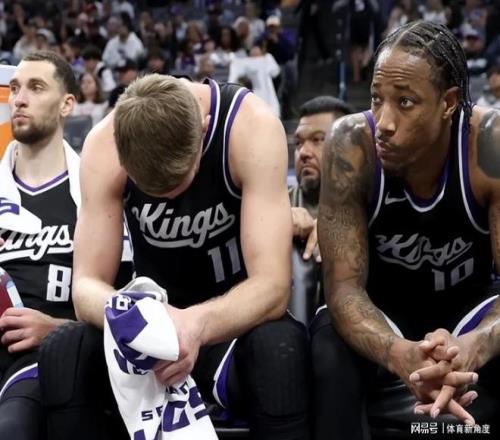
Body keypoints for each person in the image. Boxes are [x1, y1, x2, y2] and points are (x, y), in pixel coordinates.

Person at [65, 73, 309, 439]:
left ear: (203, 128)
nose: (167, 199)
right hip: (152, 325)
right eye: (153, 190)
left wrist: (194, 325)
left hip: (233, 324)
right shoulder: (103, 145)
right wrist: (136, 319)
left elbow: (273, 286)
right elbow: (85, 286)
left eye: (178, 182)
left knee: (279, 350)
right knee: (66, 351)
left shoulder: (251, 127)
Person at [312, 20, 500, 440]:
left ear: (448, 102)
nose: (384, 121)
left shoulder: (489, 145)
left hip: (470, 313)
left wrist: (475, 346)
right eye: (377, 98)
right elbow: (343, 290)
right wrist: (399, 354)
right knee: (327, 349)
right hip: (382, 315)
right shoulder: (350, 145)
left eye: (405, 102)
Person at [0, 50, 79, 440]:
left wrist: (60, 329)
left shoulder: (96, 193)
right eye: (15, 88)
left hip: (49, 359)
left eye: (35, 87)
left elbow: (127, 308)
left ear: (67, 104)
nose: (19, 99)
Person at [290, 95, 354, 262]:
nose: (303, 152)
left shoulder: (373, 209)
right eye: (298, 143)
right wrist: (276, 220)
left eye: (317, 140)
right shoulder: (276, 205)